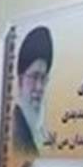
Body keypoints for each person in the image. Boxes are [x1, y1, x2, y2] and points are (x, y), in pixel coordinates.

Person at [11, 26, 52, 157]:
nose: (39, 87)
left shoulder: (40, 133)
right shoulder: (15, 132)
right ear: (20, 81)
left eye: (43, 78)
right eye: (34, 77)